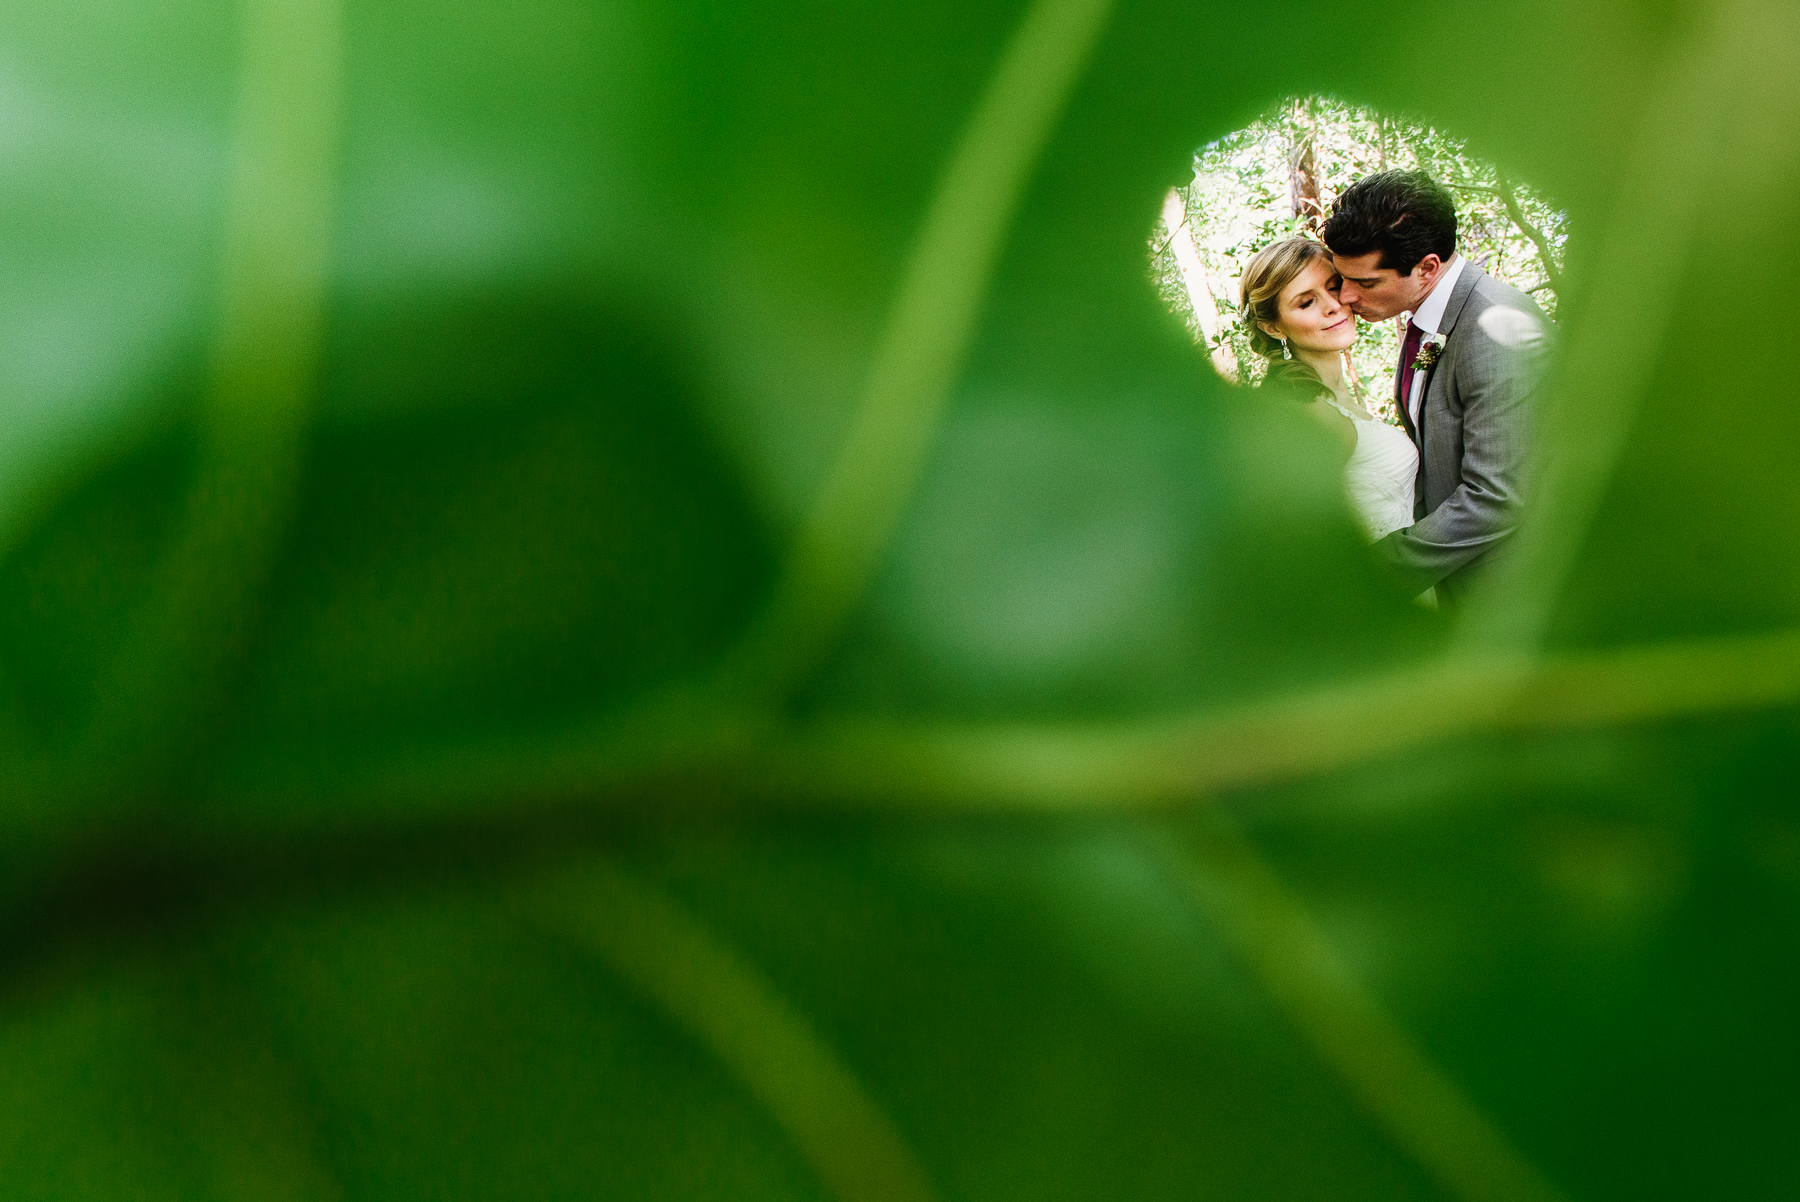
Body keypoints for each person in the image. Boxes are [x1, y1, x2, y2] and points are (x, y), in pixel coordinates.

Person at [1322, 169, 1549, 606]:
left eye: (1365, 283)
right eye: (1342, 278)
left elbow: (1498, 496)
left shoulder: (1494, 327)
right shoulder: (1435, 321)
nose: (1345, 296)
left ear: (1428, 267)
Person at [1239, 236, 1418, 541]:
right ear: (1273, 327)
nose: (1334, 305)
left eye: (1334, 287)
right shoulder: (1306, 413)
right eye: (1306, 302)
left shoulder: (1334, 398)